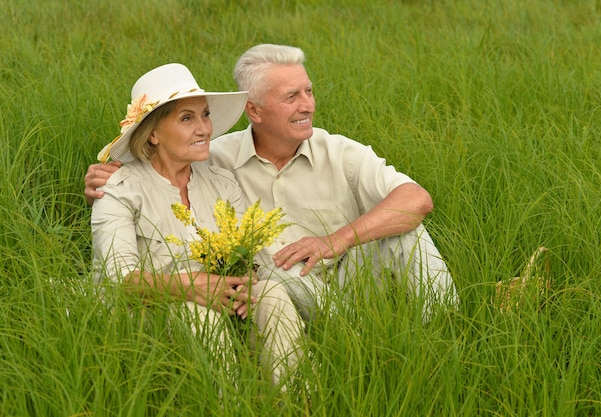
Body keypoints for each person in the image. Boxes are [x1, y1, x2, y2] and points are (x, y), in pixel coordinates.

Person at [86, 45, 457, 322]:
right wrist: (106, 176)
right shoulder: (214, 157)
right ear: (255, 110)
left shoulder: (340, 151)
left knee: (407, 229)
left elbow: (417, 199)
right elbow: (162, 156)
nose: (308, 105)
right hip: (273, 282)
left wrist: (334, 241)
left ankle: (446, 325)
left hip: (347, 277)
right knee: (273, 271)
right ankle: (347, 341)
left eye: (309, 91)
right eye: (291, 96)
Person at [91, 63, 303, 387]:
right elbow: (118, 279)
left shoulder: (220, 182)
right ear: (153, 133)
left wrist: (245, 279)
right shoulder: (120, 189)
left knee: (269, 293)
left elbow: (248, 253)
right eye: (186, 118)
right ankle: (227, 403)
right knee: (197, 314)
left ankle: (298, 397)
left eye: (205, 115)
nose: (204, 128)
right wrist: (187, 286)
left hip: (219, 296)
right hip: (150, 311)